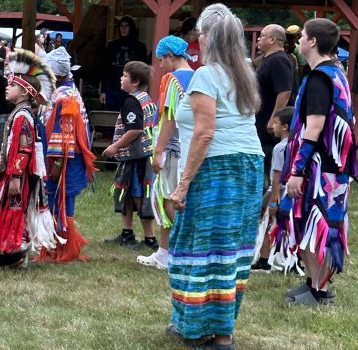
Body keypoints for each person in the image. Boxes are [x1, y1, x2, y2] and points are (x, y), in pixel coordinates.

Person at [165, 4, 264, 348]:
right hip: (249, 166)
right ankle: (211, 327)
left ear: (207, 38)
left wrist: (182, 185)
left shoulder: (207, 75)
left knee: (202, 247)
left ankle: (204, 329)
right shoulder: (244, 73)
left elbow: (204, 133)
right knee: (229, 250)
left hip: (218, 168)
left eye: (199, 35)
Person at [276, 17, 358, 306]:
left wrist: (296, 171)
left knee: (318, 226)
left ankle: (319, 291)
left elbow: (314, 127)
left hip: (321, 168)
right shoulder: (334, 74)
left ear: (312, 41)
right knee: (313, 226)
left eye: (302, 37)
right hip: (332, 167)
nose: (298, 41)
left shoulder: (319, 79)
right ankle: (313, 284)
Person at [0, 49, 56, 269]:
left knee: (13, 211)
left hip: (17, 176)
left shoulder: (22, 116)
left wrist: (15, 177)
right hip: (13, 173)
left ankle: (15, 253)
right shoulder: (20, 113)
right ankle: (9, 252)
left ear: (24, 93)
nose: (7, 88)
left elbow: (23, 150)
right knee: (8, 210)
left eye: (12, 86)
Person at [35, 47, 97, 263]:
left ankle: (63, 247)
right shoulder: (63, 91)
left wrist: (57, 166)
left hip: (65, 160)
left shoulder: (65, 97)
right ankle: (56, 244)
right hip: (61, 158)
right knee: (56, 200)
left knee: (60, 200)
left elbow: (65, 136)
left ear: (58, 74)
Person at [136, 35, 193, 270]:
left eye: (161, 60)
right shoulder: (198, 77)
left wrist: (158, 151)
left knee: (169, 198)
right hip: (191, 146)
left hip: (173, 148)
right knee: (180, 197)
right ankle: (170, 251)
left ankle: (169, 252)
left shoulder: (173, 80)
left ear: (170, 56)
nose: (160, 66)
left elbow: (169, 117)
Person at [102, 61, 157, 249]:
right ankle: (127, 233)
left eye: (125, 75)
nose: (121, 78)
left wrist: (114, 147)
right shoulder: (145, 98)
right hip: (136, 155)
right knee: (124, 192)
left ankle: (150, 238)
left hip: (138, 157)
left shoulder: (131, 101)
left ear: (135, 81)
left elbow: (134, 129)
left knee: (138, 195)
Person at [252, 106, 293, 272]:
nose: (272, 126)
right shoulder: (296, 145)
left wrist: (273, 200)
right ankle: (285, 259)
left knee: (267, 223)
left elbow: (276, 175)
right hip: (289, 193)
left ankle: (264, 259)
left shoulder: (279, 148)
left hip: (276, 192)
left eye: (275, 123)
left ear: (285, 126)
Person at [256, 23, 293, 185]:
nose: (258, 38)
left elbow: (284, 91)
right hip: (261, 120)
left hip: (270, 126)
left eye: (262, 35)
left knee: (271, 167)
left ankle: (273, 199)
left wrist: (275, 119)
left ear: (272, 39)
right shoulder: (267, 60)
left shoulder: (279, 60)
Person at [100, 16, 148, 111]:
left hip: (131, 90)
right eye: (121, 26)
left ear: (131, 28)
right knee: (110, 120)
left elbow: (143, 71)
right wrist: (103, 91)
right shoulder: (112, 46)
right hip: (112, 90)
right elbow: (104, 69)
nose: (124, 28)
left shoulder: (140, 47)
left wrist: (140, 91)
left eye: (126, 26)